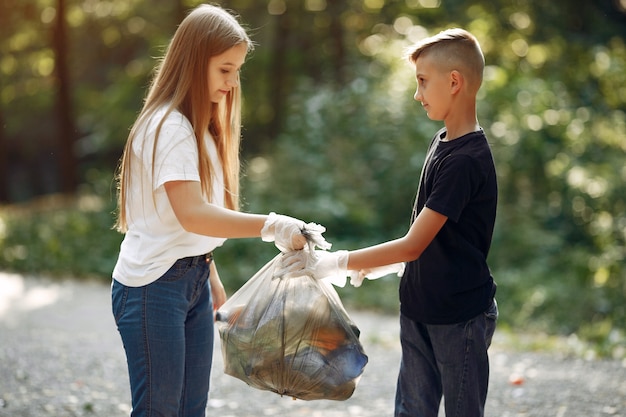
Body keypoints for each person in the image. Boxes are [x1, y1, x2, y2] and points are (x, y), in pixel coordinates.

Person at [110, 5, 313, 416]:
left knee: (191, 410)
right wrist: (274, 225)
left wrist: (210, 272)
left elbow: (189, 223)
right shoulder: (167, 127)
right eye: (225, 70)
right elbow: (192, 213)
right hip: (153, 287)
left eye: (237, 70)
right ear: (192, 62)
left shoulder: (200, 128)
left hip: (192, 278)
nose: (233, 82)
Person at [304, 28, 499, 417]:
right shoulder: (441, 141)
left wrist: (336, 262)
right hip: (417, 309)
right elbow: (429, 236)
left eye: (423, 82)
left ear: (455, 82)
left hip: (459, 319)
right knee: (411, 410)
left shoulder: (466, 160)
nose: (417, 94)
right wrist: (385, 265)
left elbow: (412, 243)